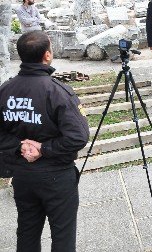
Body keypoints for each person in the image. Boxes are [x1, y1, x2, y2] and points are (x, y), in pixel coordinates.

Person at [0, 31, 89, 252]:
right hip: (56, 175)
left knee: (27, 231)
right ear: (47, 55)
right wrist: (42, 149)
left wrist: (19, 146)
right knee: (63, 235)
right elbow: (78, 136)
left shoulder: (5, 90)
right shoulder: (57, 91)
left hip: (22, 174)